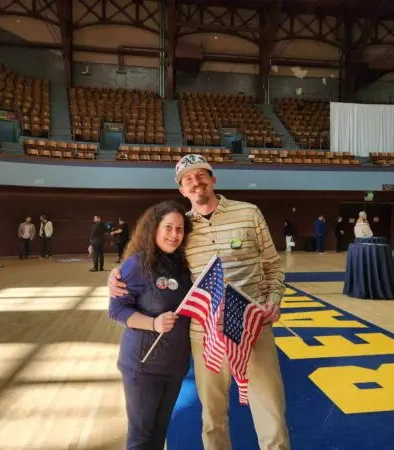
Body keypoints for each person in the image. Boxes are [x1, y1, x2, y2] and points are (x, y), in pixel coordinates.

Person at [109, 154, 289, 450]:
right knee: (212, 418)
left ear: (213, 179)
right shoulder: (182, 228)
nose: (196, 183)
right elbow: (150, 262)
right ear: (181, 190)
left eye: (201, 175)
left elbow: (272, 264)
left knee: (271, 414)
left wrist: (273, 299)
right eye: (187, 179)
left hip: (252, 327)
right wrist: (116, 276)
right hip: (205, 335)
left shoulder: (249, 213)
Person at [108, 200, 193, 450]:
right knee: (141, 437)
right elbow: (117, 309)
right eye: (168, 227)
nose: (174, 235)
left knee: (159, 432)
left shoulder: (183, 265)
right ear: (154, 228)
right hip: (143, 366)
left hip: (175, 364)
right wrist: (153, 323)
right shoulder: (137, 263)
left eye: (179, 229)